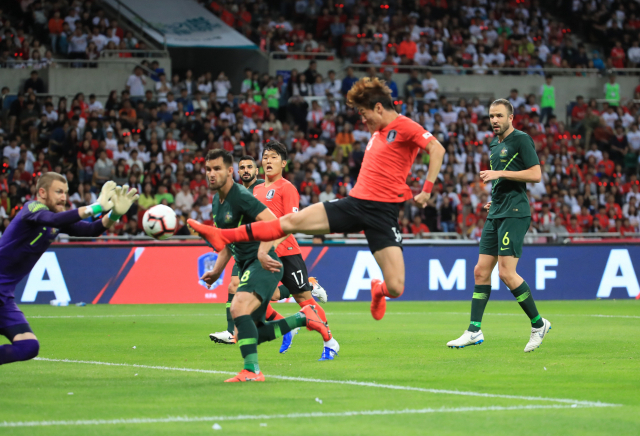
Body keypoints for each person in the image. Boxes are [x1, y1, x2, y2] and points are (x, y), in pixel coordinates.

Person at [189, 77, 446, 321]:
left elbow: (437, 149)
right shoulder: (377, 133)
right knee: (289, 221)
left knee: (396, 287)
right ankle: (223, 235)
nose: (362, 119)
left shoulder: (403, 126)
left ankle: (378, 289)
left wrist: (426, 189)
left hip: (384, 214)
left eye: (363, 113)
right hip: (354, 205)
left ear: (378, 108)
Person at [194, 150, 331, 383]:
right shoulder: (219, 202)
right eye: (208, 169)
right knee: (251, 332)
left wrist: (262, 250)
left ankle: (252, 371)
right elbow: (229, 239)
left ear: (230, 172)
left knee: (238, 306)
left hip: (262, 261)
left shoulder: (243, 196)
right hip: (247, 262)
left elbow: (275, 223)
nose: (211, 174)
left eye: (217, 169)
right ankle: (302, 318)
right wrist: (217, 270)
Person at [447, 99, 551, 353]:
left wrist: (500, 174)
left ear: (510, 117)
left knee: (506, 273)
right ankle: (473, 330)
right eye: (491, 116)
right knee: (481, 271)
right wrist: (494, 199)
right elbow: (503, 180)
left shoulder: (521, 140)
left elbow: (535, 174)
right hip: (497, 211)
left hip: (515, 213)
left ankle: (538, 325)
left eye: (499, 116)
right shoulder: (495, 144)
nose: (494, 120)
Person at [0, 176, 138, 366]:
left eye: (65, 192)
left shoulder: (58, 221)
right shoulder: (31, 209)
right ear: (42, 193)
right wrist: (96, 206)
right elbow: (54, 218)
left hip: (4, 298)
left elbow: (91, 230)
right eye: (58, 192)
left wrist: (114, 214)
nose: (63, 197)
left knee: (28, 346)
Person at [254, 142, 339, 359]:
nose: (268, 161)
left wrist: (272, 243)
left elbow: (291, 221)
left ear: (283, 163)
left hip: (287, 251)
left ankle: (330, 342)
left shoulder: (287, 188)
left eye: (273, 157)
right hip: (265, 252)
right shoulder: (256, 189)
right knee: (266, 296)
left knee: (306, 302)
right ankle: (290, 324)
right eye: (265, 157)